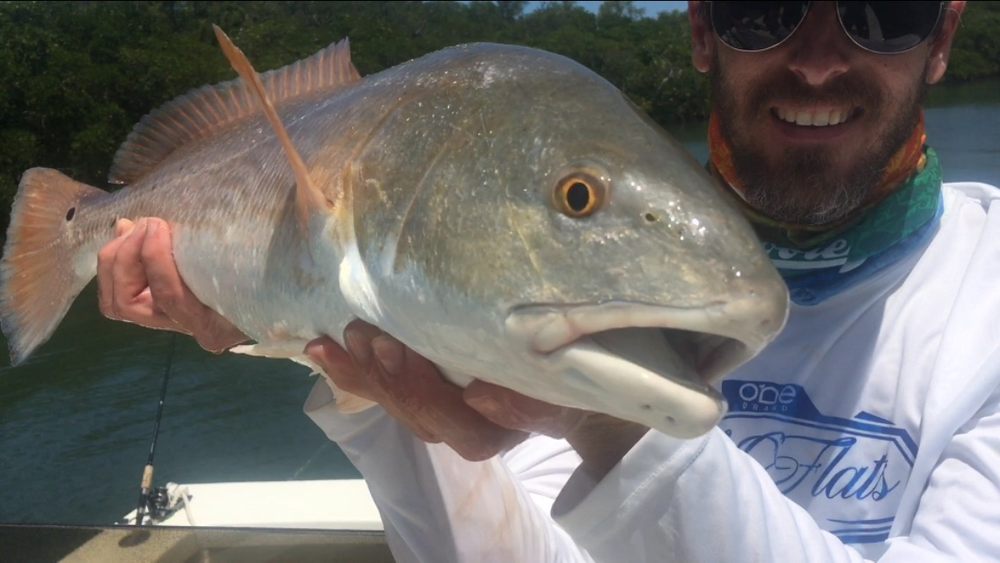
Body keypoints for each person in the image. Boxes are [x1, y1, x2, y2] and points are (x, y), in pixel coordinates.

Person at [98, 1, 1000, 561]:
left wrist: (617, 433)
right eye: (760, 8)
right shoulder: (548, 313)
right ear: (700, 26)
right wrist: (355, 371)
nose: (815, 59)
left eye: (886, 9)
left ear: (945, 37)